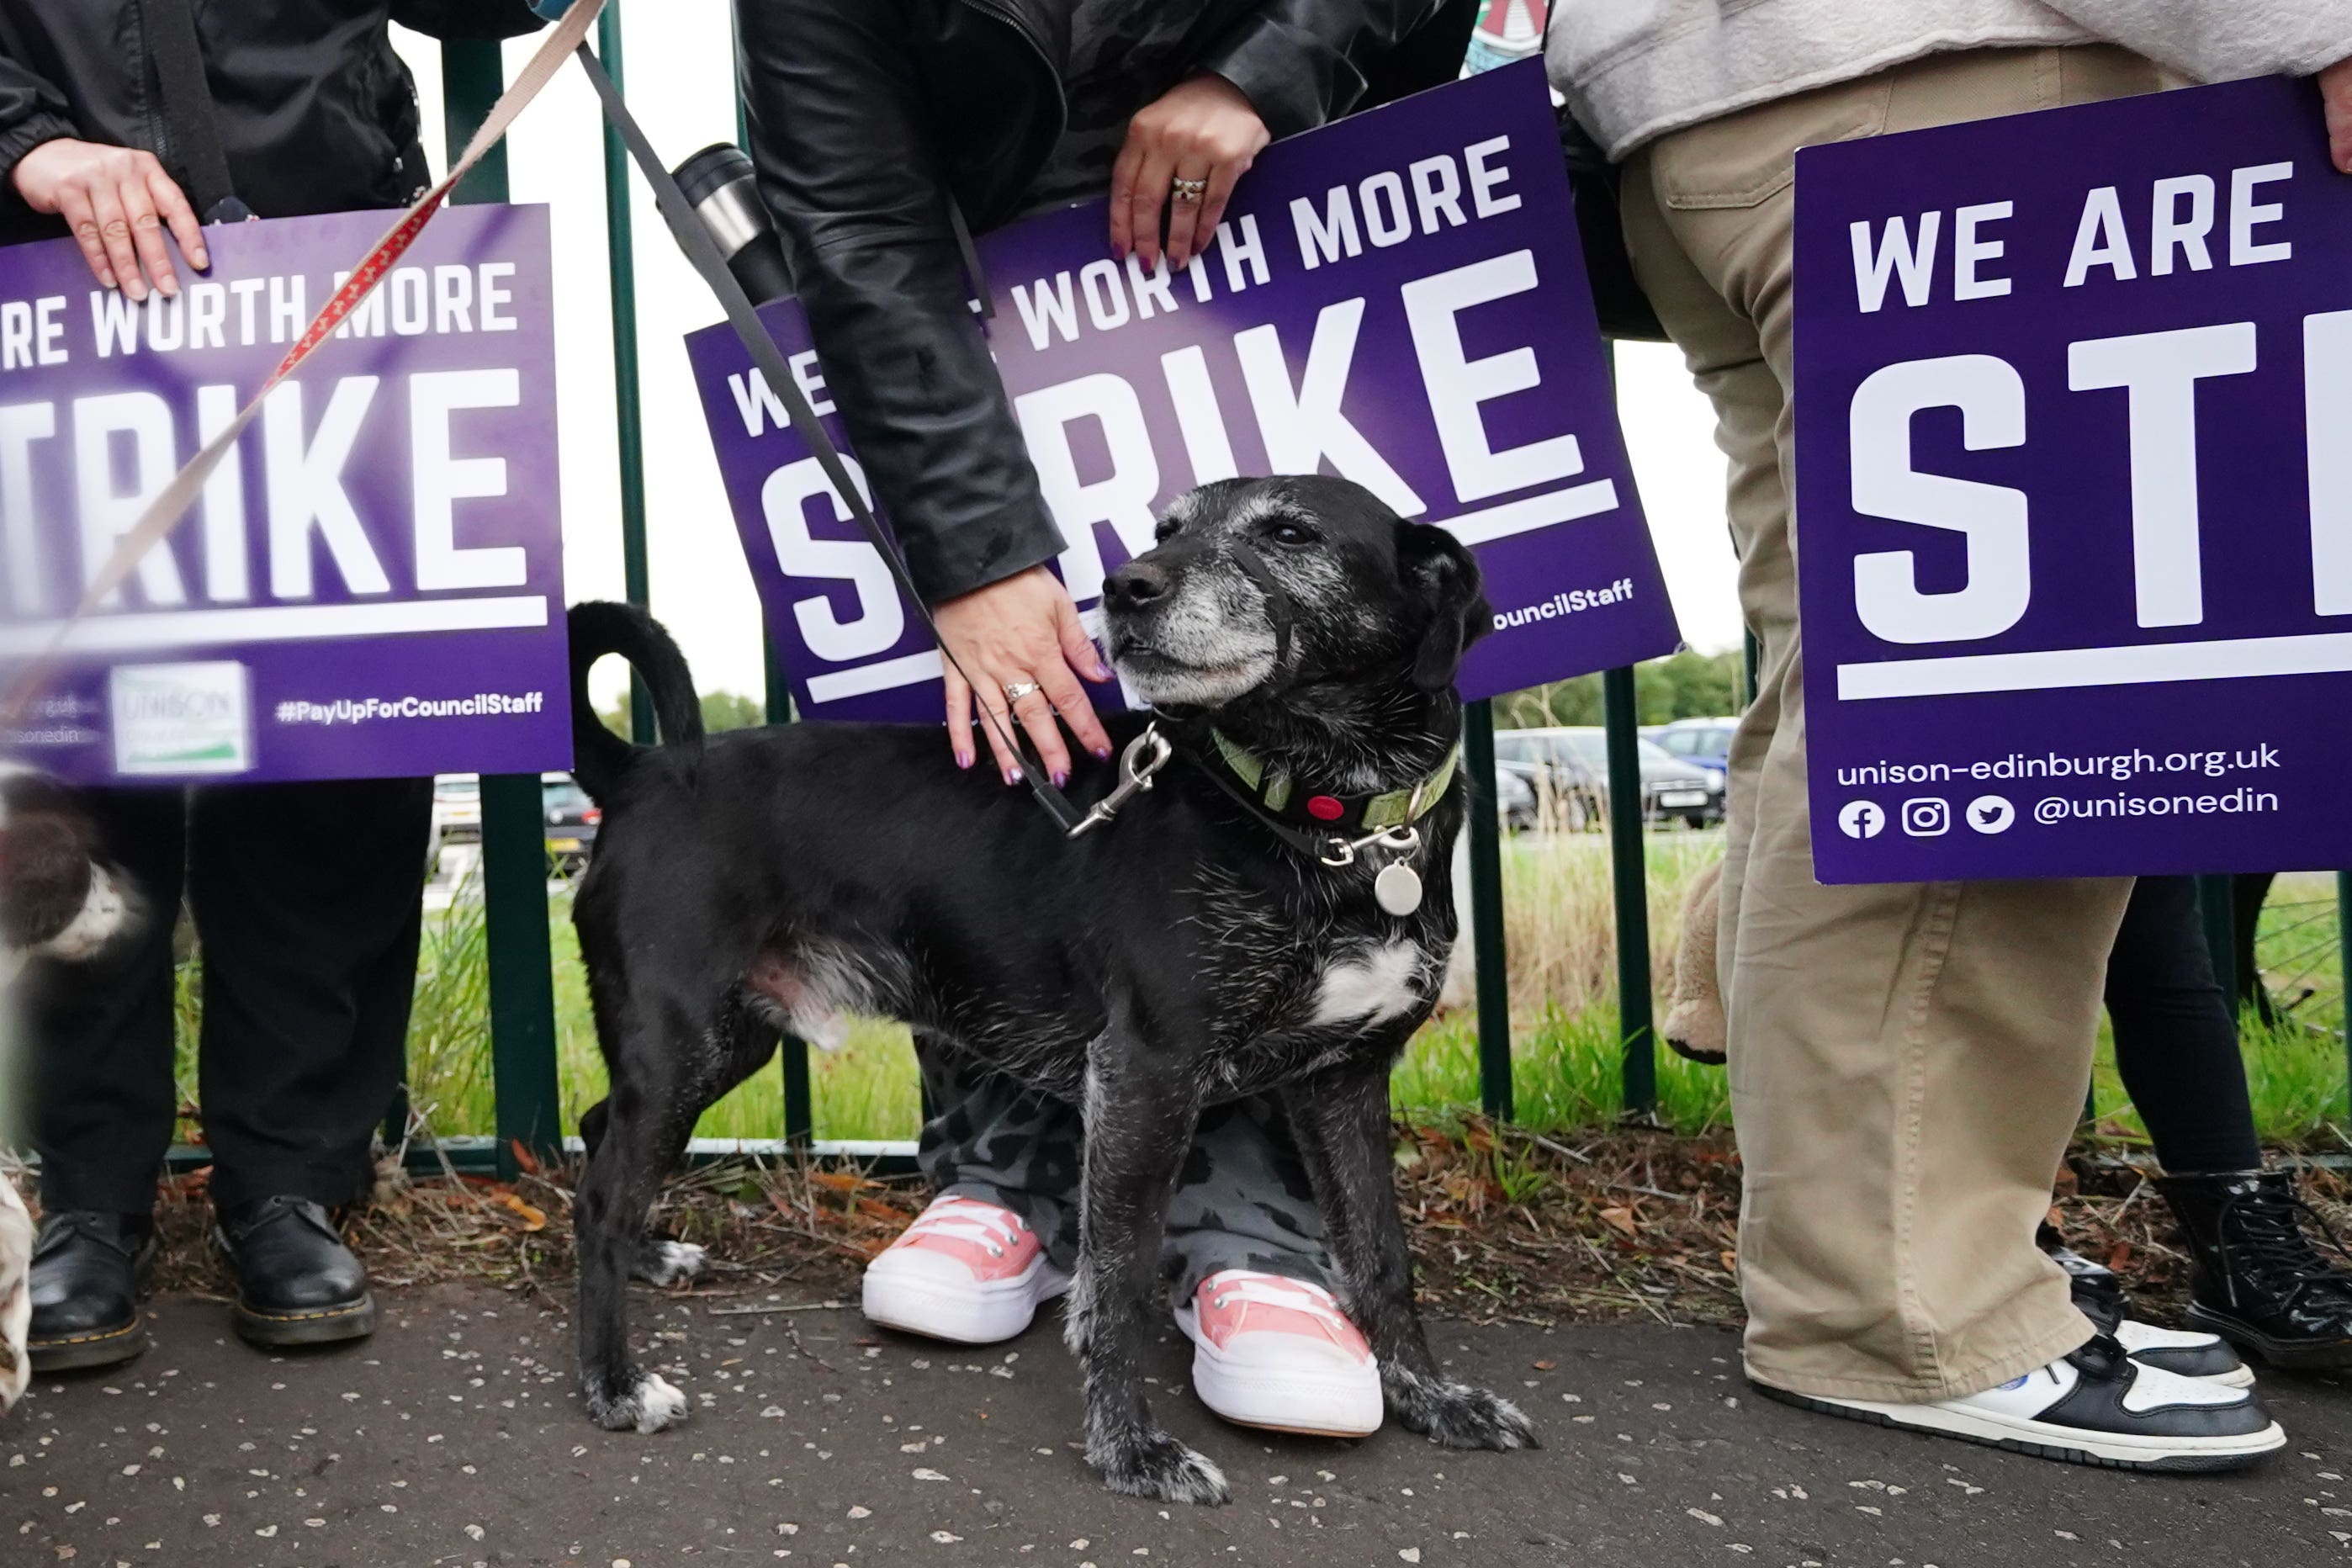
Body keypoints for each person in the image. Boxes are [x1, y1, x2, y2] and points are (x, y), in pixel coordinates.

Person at [1549, 4, 2352, 1470]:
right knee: (2011, 720)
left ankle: (1891, 1274)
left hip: (1707, 114)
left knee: (1857, 686)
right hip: (1939, 72)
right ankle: (1910, 1314)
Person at [736, 0, 1473, 1438]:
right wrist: (976, 556)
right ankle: (1003, 1164)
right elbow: (863, 236)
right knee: (1008, 710)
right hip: (991, 275)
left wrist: (1263, 71)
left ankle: (1252, 1232)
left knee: (1325, 709)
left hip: (1301, 215)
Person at [0, 0, 547, 1371]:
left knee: (333, 756)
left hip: (333, 253)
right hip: (40, 268)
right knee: (69, 773)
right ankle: (84, 1200)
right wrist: (31, 144)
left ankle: (293, 1180)